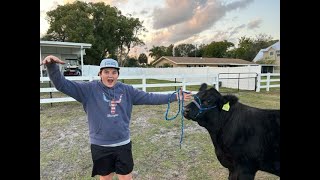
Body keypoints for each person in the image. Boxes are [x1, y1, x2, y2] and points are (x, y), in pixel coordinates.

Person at [41, 55, 192, 180]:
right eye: (106, 72)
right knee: (105, 177)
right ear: (100, 73)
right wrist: (52, 67)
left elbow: (150, 97)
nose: (110, 76)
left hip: (122, 143)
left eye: (114, 72)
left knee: (126, 177)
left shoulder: (127, 91)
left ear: (118, 74)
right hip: (100, 145)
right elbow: (62, 85)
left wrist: (174, 96)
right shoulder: (88, 90)